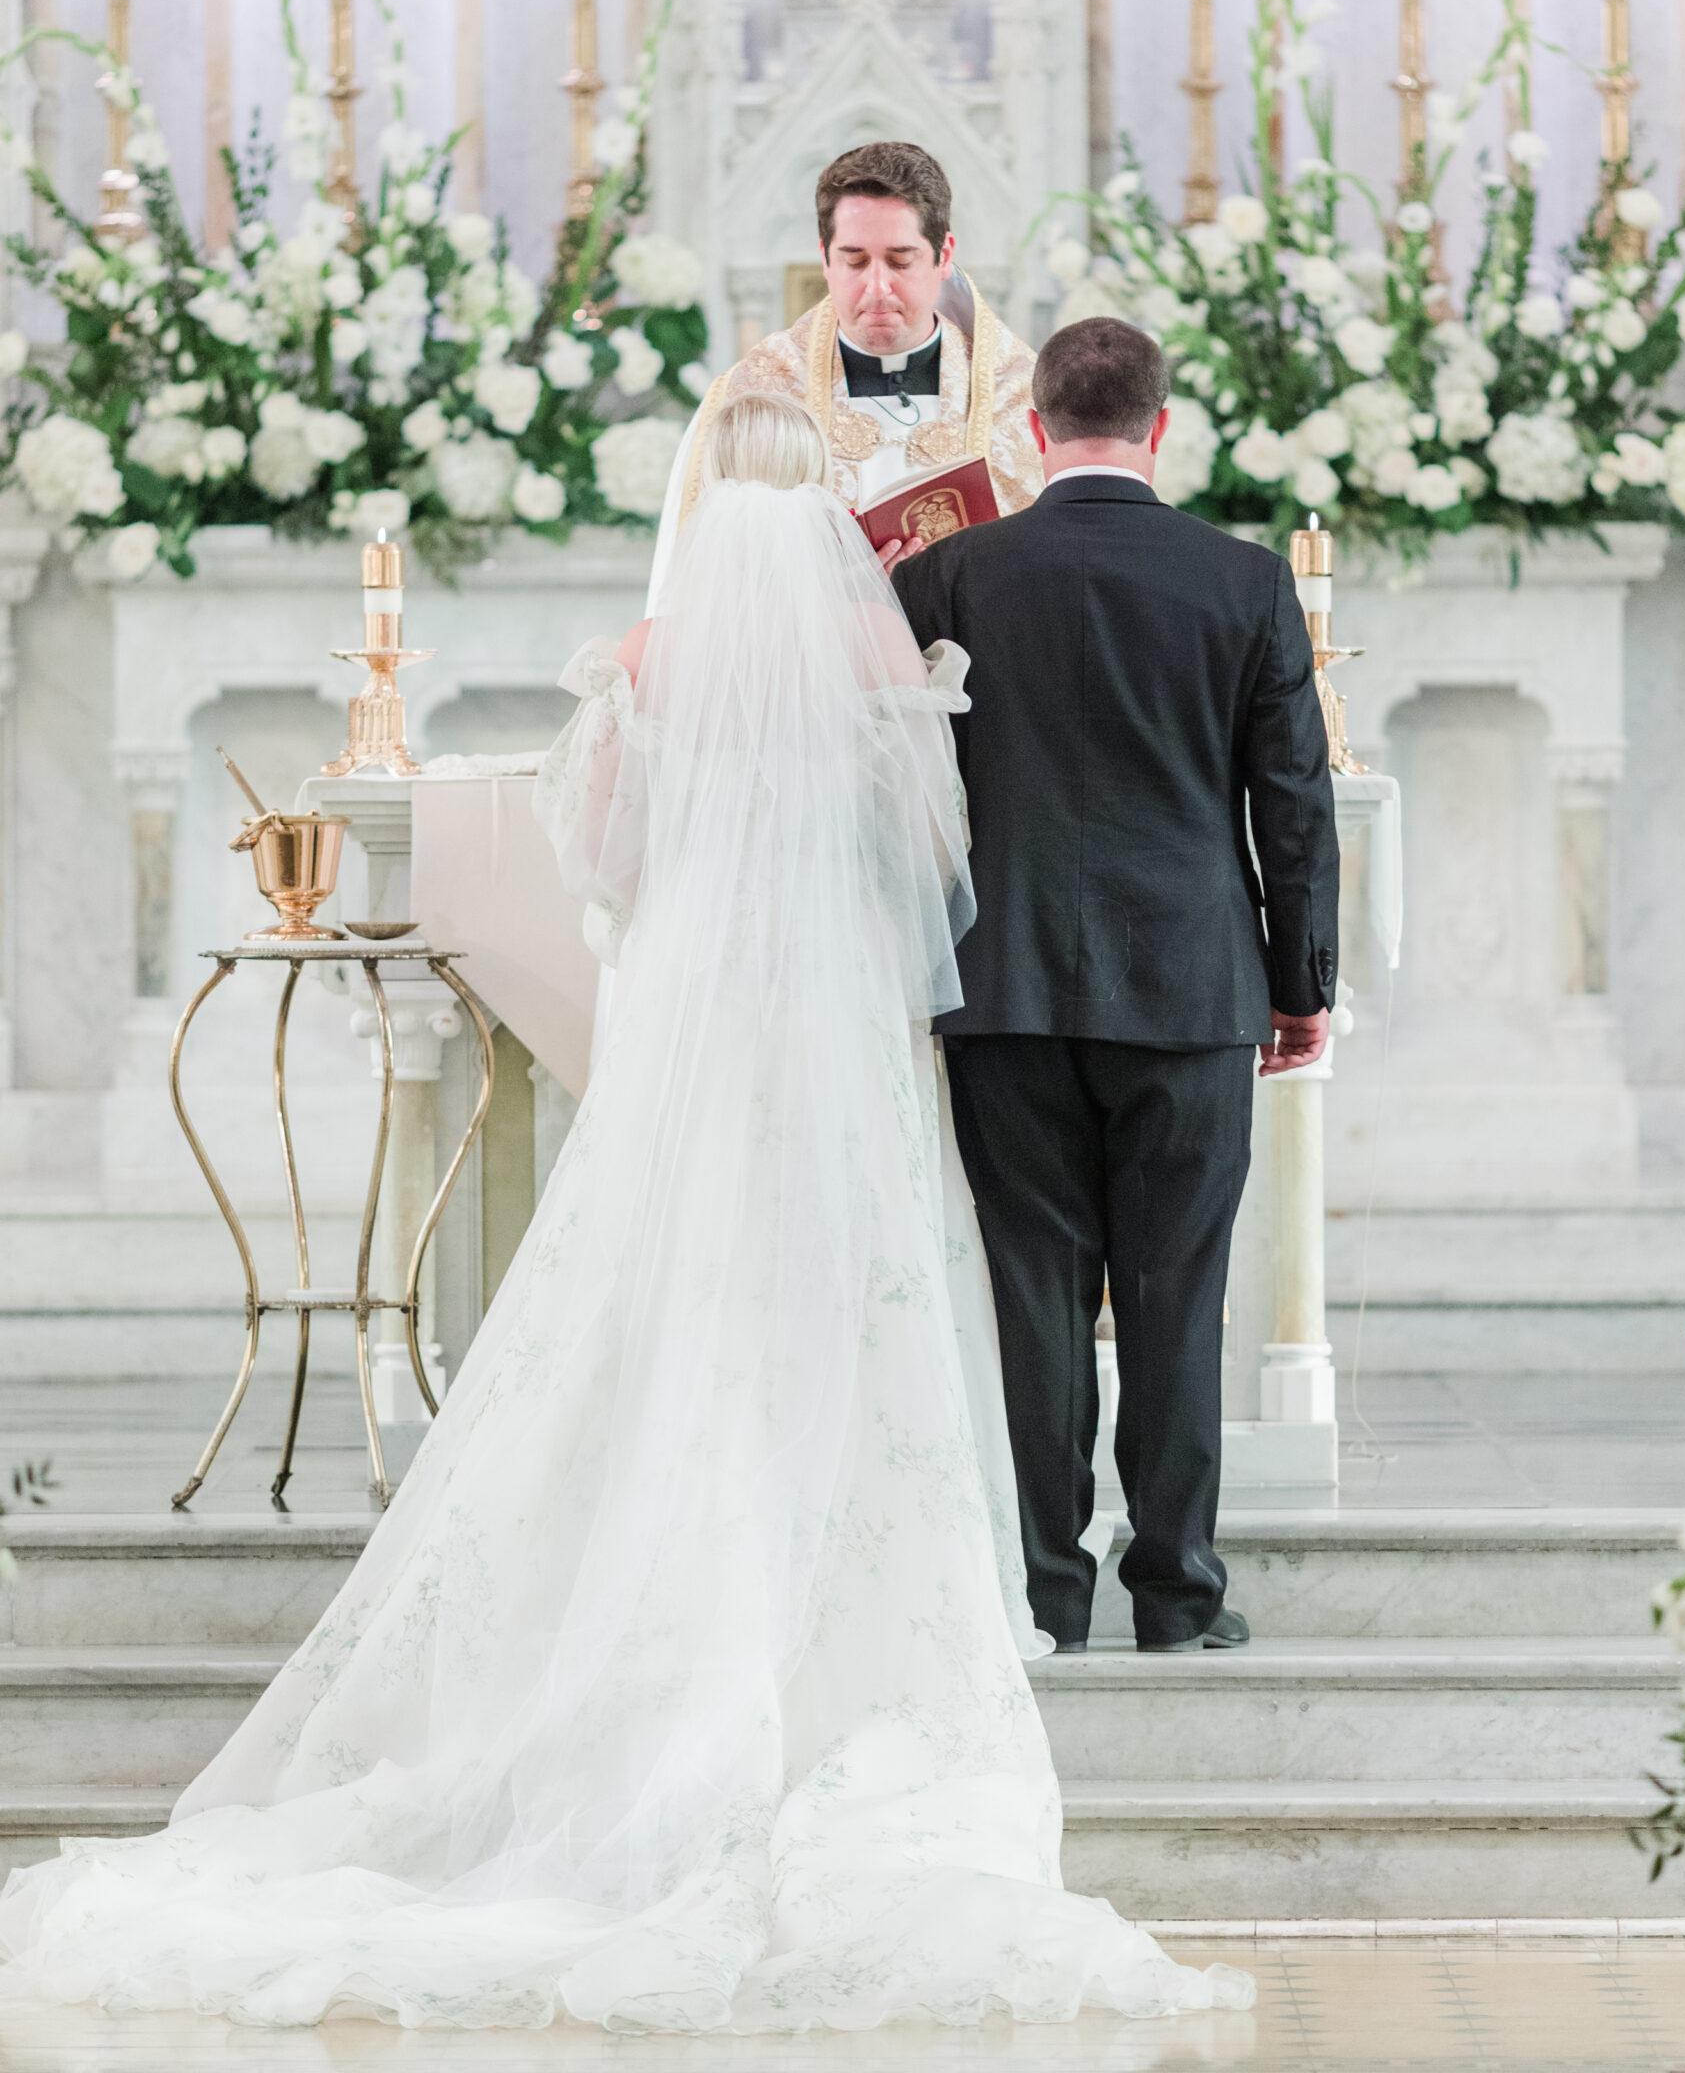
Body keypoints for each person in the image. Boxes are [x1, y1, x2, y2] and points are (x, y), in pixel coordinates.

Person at [0, 391, 1252, 2038]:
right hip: (839, 1051)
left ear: (698, 505)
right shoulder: (889, 666)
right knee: (849, 1322)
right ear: (821, 514)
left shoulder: (645, 665)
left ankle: (639, 1635)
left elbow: (601, 866)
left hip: (697, 1040)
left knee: (668, 1318)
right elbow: (933, 863)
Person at [891, 319, 1341, 1658]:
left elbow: (895, 791)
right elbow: (1293, 800)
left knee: (1030, 1289)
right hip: (1191, 984)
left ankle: (1043, 1592)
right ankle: (1175, 1593)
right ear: (1158, 429)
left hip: (1004, 981)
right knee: (1172, 1291)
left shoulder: (949, 578)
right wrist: (1296, 979)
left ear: (1029, 433)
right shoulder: (1244, 580)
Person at [645, 141, 1040, 606]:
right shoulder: (755, 395)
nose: (876, 287)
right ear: (825, 258)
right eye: (854, 260)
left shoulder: (1020, 395)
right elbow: (701, 589)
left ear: (944, 253)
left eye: (900, 260)